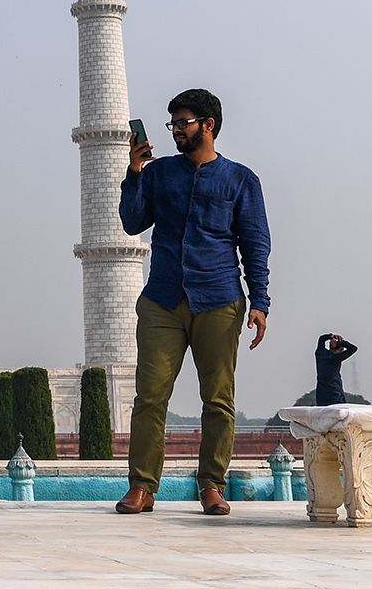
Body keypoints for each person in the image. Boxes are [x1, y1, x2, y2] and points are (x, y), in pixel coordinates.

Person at [116, 89, 271, 518]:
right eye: (172, 124)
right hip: (163, 299)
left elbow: (255, 244)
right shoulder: (160, 173)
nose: (175, 131)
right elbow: (132, 222)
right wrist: (134, 173)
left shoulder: (240, 180)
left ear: (208, 125)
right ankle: (142, 486)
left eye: (183, 123)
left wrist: (260, 300)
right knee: (150, 396)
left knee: (218, 400)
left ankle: (212, 485)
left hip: (218, 298)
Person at [315, 333, 357, 406]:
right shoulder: (334, 358)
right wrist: (340, 343)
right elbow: (353, 348)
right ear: (341, 349)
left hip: (321, 397)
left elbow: (321, 338)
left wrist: (331, 336)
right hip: (335, 395)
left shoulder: (320, 354)